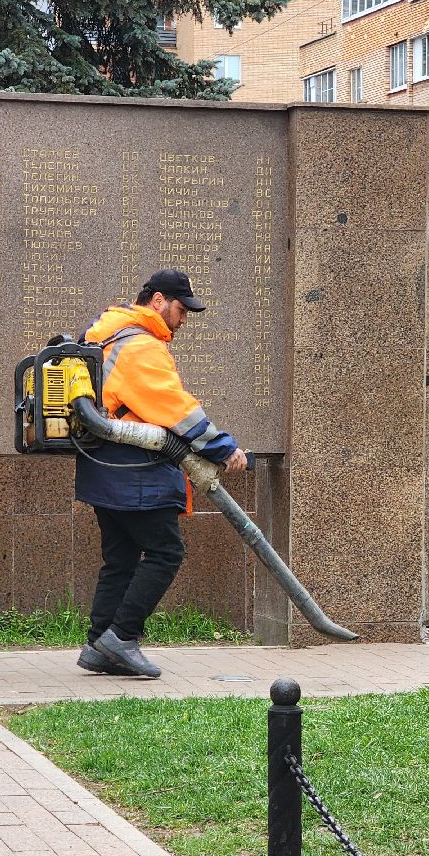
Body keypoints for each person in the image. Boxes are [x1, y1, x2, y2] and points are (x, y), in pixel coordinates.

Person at [74, 269, 248, 679]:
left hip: (103, 466)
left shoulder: (103, 335)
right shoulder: (140, 347)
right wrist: (224, 448)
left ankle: (99, 643)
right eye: (181, 308)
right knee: (166, 553)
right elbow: (175, 409)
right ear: (157, 301)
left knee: (120, 558)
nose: (184, 318)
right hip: (136, 470)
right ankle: (121, 637)